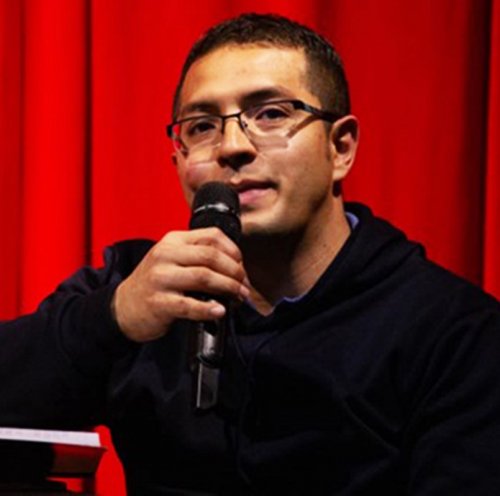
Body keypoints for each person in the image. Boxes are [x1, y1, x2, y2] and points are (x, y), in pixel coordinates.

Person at [1, 12, 500, 495]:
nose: (232, 146)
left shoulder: (451, 331)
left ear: (340, 148)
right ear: (178, 162)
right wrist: (113, 317)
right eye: (202, 126)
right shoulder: (138, 289)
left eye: (271, 114)